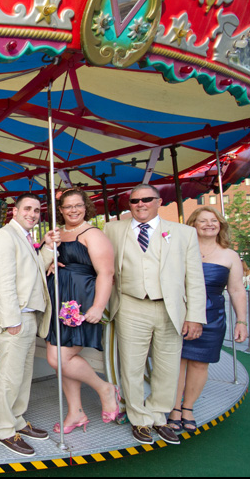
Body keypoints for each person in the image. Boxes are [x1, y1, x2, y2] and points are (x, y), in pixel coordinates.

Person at [104, 184, 206, 446]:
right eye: (134, 201)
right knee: (131, 366)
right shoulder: (112, 229)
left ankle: (159, 415)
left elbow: (194, 278)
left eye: (146, 199)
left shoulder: (184, 233)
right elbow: (97, 261)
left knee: (168, 366)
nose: (140, 204)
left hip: (169, 307)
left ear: (159, 201)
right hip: (130, 304)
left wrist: (195, 316)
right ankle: (139, 418)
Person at [0, 193, 58, 457]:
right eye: (27, 209)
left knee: (22, 373)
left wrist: (48, 248)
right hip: (14, 317)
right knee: (8, 375)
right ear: (14, 212)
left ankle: (16, 419)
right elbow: (2, 281)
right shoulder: (6, 235)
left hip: (29, 315)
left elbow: (34, 269)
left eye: (37, 210)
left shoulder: (24, 237)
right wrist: (12, 319)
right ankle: (4, 429)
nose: (32, 213)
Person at [167, 207, 248, 433]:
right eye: (202, 221)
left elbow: (237, 290)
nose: (209, 224)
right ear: (193, 225)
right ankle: (174, 408)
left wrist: (242, 321)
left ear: (220, 225)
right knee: (177, 362)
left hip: (212, 316)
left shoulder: (230, 255)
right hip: (181, 312)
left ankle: (188, 408)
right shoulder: (180, 250)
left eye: (213, 221)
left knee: (200, 363)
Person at [44, 189, 119, 434]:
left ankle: (104, 388)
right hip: (60, 299)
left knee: (59, 358)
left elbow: (106, 273)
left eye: (78, 205)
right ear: (61, 210)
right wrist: (49, 260)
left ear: (85, 207)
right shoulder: (57, 235)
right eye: (68, 206)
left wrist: (98, 306)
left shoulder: (92, 234)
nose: (73, 210)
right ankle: (75, 412)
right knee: (62, 360)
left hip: (81, 299)